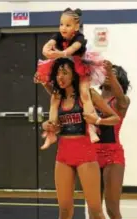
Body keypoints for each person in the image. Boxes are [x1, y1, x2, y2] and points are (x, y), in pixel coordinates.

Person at [39, 57, 120, 219]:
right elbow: (52, 125)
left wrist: (98, 121)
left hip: (85, 154)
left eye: (65, 72)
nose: (61, 77)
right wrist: (47, 125)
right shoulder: (56, 97)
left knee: (95, 210)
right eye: (58, 73)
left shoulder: (89, 95)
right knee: (64, 210)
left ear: (74, 74)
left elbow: (115, 117)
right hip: (63, 155)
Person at [81, 61, 131, 219]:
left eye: (112, 75)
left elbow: (120, 97)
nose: (108, 78)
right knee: (93, 209)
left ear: (119, 80)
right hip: (92, 155)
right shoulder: (93, 97)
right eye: (105, 75)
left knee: (112, 207)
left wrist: (110, 72)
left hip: (113, 155)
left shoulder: (121, 101)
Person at [36, 8, 106, 148]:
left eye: (68, 25)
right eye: (61, 24)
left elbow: (71, 50)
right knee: (55, 97)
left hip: (80, 66)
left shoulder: (79, 38)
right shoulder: (58, 36)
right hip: (64, 64)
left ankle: (91, 127)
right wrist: (47, 50)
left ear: (76, 26)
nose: (63, 28)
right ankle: (51, 133)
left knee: (85, 93)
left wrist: (60, 53)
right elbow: (46, 47)